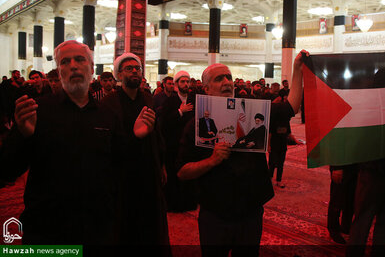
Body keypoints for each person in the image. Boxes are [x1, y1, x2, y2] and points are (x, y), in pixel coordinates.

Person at [0, 40, 135, 244]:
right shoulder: (38, 111)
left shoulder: (107, 116)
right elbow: (7, 170)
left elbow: (120, 168)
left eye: (80, 60)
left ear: (91, 69)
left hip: (96, 228)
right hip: (48, 229)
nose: (73, 65)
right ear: (59, 71)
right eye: (65, 62)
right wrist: (24, 135)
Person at [177, 50, 306, 257]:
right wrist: (212, 161)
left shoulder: (254, 112)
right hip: (215, 213)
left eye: (228, 77)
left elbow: (291, 107)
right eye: (219, 79)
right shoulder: (196, 125)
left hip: (250, 211)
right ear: (207, 89)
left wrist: (297, 69)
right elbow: (183, 172)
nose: (227, 81)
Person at [101, 52, 170, 247]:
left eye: (137, 68)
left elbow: (156, 133)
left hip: (148, 168)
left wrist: (162, 164)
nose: (134, 72)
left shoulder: (147, 98)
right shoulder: (110, 103)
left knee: (149, 221)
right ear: (119, 74)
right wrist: (133, 136)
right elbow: (107, 140)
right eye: (129, 69)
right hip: (122, 173)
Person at [158, 70, 197, 212]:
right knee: (174, 176)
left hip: (189, 145)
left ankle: (189, 203)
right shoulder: (170, 101)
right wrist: (180, 112)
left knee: (189, 175)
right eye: (182, 81)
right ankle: (174, 205)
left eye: (187, 81)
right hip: (174, 145)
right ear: (176, 84)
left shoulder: (194, 99)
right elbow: (164, 123)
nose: (186, 84)